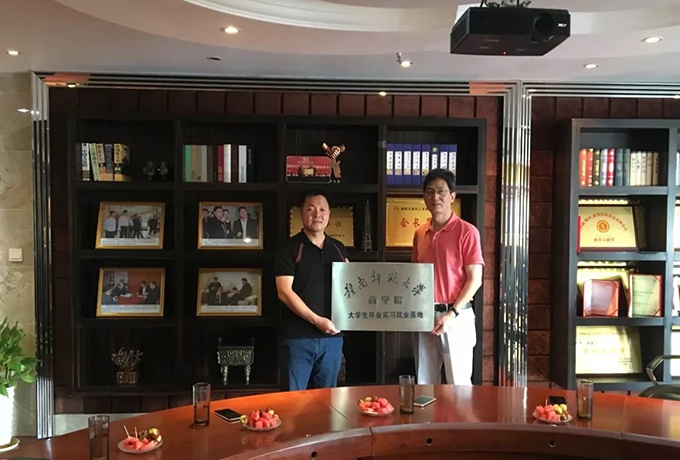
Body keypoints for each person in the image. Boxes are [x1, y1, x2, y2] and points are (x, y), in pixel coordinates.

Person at [412, 168, 484, 386]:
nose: (435, 197)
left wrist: (452, 313)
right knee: (424, 384)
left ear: (452, 196)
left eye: (441, 191)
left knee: (458, 385)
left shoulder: (467, 232)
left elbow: (475, 279)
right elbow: (415, 277)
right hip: (424, 316)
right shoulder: (419, 234)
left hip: (457, 316)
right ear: (424, 197)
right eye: (430, 191)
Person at [274, 189, 348, 391]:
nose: (317, 215)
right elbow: (284, 292)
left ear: (329, 214)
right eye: (311, 209)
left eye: (323, 209)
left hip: (332, 338)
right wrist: (317, 320)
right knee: (293, 400)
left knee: (327, 401)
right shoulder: (289, 249)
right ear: (301, 213)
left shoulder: (339, 249)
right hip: (297, 338)